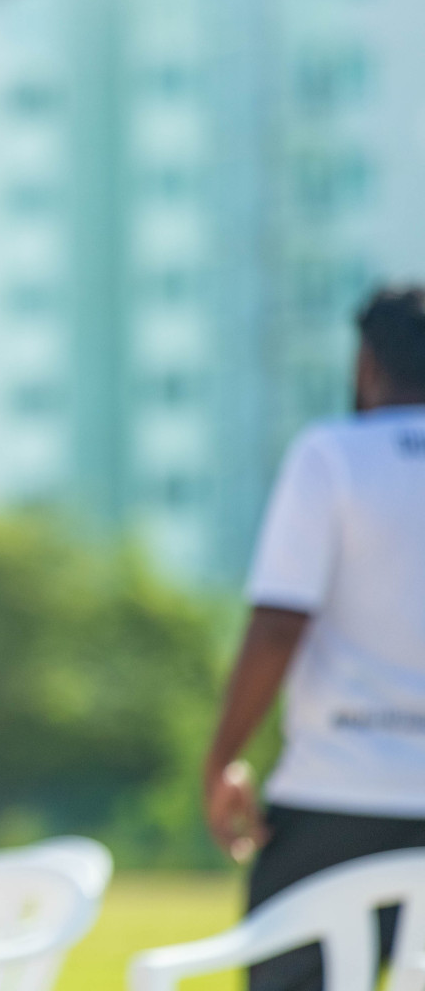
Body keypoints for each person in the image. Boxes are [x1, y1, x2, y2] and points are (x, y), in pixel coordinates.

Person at [203, 286, 425, 991]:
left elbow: (277, 625)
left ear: (366, 363)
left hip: (335, 799)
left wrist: (224, 759)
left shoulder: (332, 455)